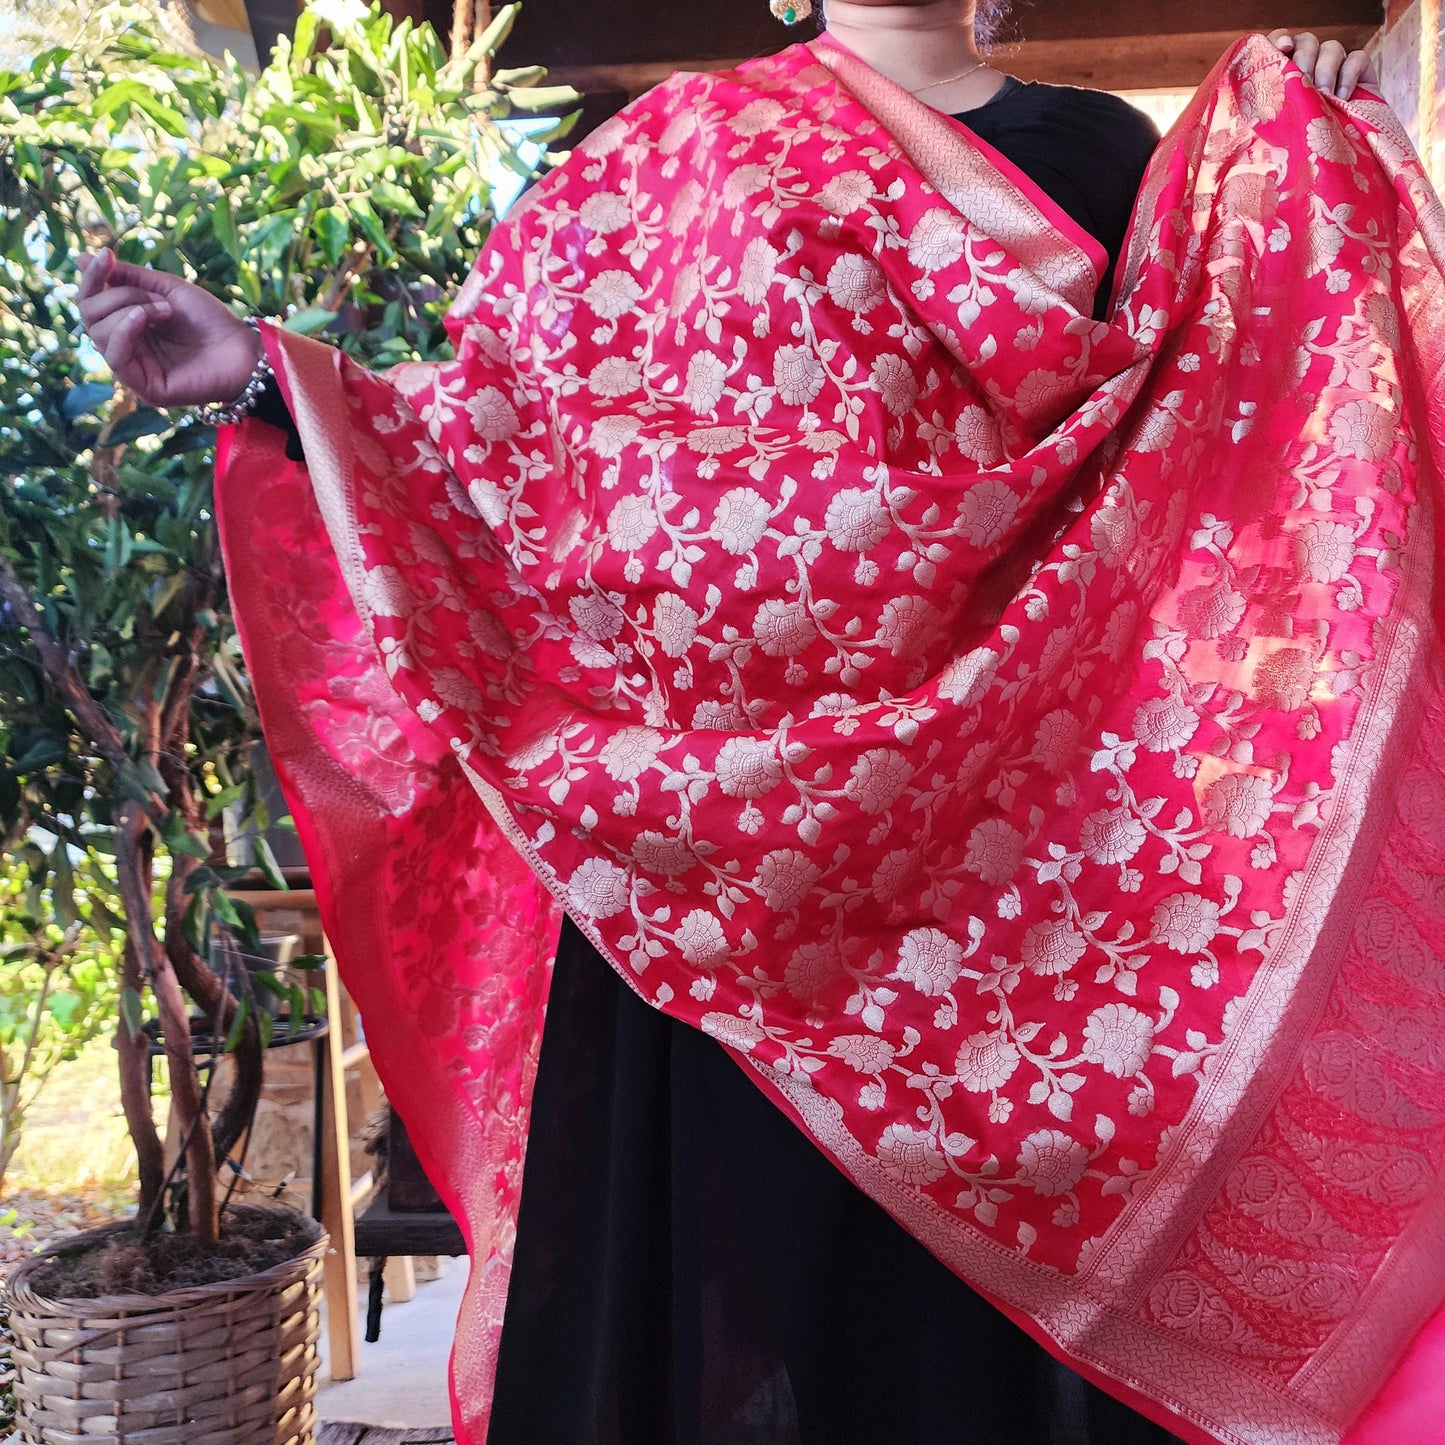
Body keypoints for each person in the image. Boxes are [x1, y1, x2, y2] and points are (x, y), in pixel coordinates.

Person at [76, 5, 1445, 1445]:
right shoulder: (655, 165)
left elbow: (1213, 458)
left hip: (1039, 925)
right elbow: (503, 450)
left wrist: (1321, 150)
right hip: (733, 922)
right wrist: (257, 374)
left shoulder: (1112, 156)